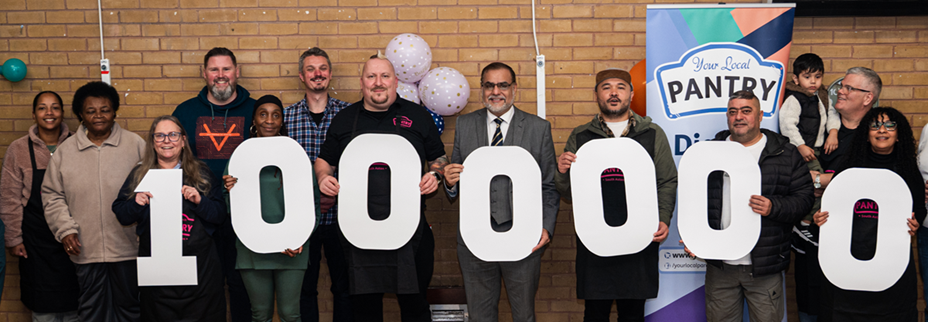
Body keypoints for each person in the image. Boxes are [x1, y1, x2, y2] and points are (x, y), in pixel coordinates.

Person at [314, 54, 447, 322]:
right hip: (358, 233)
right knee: (364, 310)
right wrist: (322, 178)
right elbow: (324, 161)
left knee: (415, 307)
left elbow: (439, 158)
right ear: (362, 83)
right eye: (371, 77)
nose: (378, 83)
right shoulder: (344, 119)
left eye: (385, 76)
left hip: (410, 231)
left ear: (396, 81)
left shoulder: (418, 116)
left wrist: (436, 174)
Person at [554, 69, 677, 322]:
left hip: (639, 237)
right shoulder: (580, 136)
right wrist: (563, 171)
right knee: (595, 313)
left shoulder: (652, 133)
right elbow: (567, 191)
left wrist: (663, 217)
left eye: (620, 87)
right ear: (596, 94)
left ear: (631, 94)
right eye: (606, 87)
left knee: (632, 314)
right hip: (595, 240)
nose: (613, 93)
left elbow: (667, 181)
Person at [441, 62, 559, 322]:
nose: (495, 91)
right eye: (488, 85)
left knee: (524, 315)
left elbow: (549, 186)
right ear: (482, 89)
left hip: (524, 239)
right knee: (480, 317)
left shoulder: (538, 128)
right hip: (475, 241)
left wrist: (546, 228)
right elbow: (457, 178)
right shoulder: (465, 124)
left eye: (502, 85)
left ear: (514, 88)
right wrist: (449, 182)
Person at [682, 90, 813, 322]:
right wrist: (696, 239)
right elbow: (693, 199)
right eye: (732, 112)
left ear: (760, 115)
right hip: (721, 266)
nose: (738, 117)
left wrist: (774, 206)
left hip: (765, 265)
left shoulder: (786, 153)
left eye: (746, 111)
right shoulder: (709, 152)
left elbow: (805, 199)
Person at [43, 81, 146, 322]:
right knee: (91, 313)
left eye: (105, 109)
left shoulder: (136, 146)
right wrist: (65, 230)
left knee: (131, 312)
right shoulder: (65, 152)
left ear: (115, 112)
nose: (98, 116)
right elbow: (52, 196)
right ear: (81, 114)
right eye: (91, 111)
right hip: (85, 250)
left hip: (129, 250)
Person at [111, 115, 227, 321]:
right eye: (160, 136)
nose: (167, 140)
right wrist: (135, 202)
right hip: (158, 276)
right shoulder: (140, 174)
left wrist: (200, 200)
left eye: (173, 135)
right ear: (153, 143)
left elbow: (219, 215)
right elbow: (121, 213)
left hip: (200, 274)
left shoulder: (201, 173)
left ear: (183, 141)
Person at [814, 107, 924, 322]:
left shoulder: (909, 170)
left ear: (899, 134)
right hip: (848, 264)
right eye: (874, 126)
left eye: (889, 125)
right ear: (866, 134)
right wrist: (822, 219)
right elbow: (833, 208)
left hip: (891, 265)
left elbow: (919, 209)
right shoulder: (848, 168)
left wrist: (915, 222)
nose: (882, 130)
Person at [790, 66, 882, 322]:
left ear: (868, 98)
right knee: (812, 304)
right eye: (841, 86)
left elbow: (871, 181)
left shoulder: (878, 134)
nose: (840, 90)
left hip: (859, 244)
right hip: (812, 239)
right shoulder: (818, 128)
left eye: (849, 88)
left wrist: (821, 179)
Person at [171, 46, 256, 321]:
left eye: (226, 69)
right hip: (200, 214)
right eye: (214, 69)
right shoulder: (185, 112)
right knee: (205, 285)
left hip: (244, 214)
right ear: (204, 73)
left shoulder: (256, 110)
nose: (221, 75)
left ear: (237, 72)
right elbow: (173, 159)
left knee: (241, 284)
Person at [224, 95, 322, 322]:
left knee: (290, 314)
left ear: (282, 122)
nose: (269, 120)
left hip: (292, 248)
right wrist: (229, 190)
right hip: (252, 249)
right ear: (254, 120)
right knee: (260, 315)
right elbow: (229, 206)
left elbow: (313, 204)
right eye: (263, 114)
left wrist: (300, 238)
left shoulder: (297, 157)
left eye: (276, 115)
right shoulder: (239, 158)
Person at [283, 47, 353, 322]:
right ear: (302, 76)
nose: (317, 74)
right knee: (304, 289)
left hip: (343, 218)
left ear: (330, 74)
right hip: (303, 220)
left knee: (346, 288)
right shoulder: (286, 119)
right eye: (310, 69)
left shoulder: (350, 115)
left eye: (322, 68)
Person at [0, 91, 79, 321]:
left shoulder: (77, 144)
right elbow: (9, 197)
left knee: (76, 304)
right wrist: (14, 239)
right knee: (43, 310)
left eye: (55, 107)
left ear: (63, 113)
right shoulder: (18, 149)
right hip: (36, 242)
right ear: (34, 114)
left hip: (74, 237)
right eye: (43, 108)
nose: (49, 113)